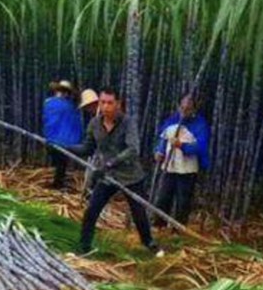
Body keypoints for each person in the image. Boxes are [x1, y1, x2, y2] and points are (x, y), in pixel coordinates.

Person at [77, 85, 161, 256]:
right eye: (103, 102)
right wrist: (63, 147)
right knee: (92, 210)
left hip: (130, 175)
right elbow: (87, 148)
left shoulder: (128, 122)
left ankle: (149, 243)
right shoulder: (94, 124)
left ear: (118, 104)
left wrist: (109, 164)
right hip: (107, 176)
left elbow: (132, 149)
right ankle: (84, 246)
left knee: (139, 213)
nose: (106, 107)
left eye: (110, 103)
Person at [153, 94, 211, 227]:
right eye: (182, 108)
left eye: (188, 109)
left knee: (183, 200)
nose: (184, 111)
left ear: (194, 110)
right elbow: (163, 139)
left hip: (187, 169)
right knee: (163, 197)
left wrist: (182, 146)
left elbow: (201, 147)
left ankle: (178, 229)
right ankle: (159, 225)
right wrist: (159, 152)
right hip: (169, 166)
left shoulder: (200, 124)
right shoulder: (172, 120)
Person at [43, 80, 84, 190]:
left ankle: (57, 183)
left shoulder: (48, 103)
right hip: (64, 142)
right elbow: (75, 123)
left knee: (60, 163)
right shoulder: (69, 106)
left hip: (51, 139)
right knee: (61, 163)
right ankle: (57, 184)